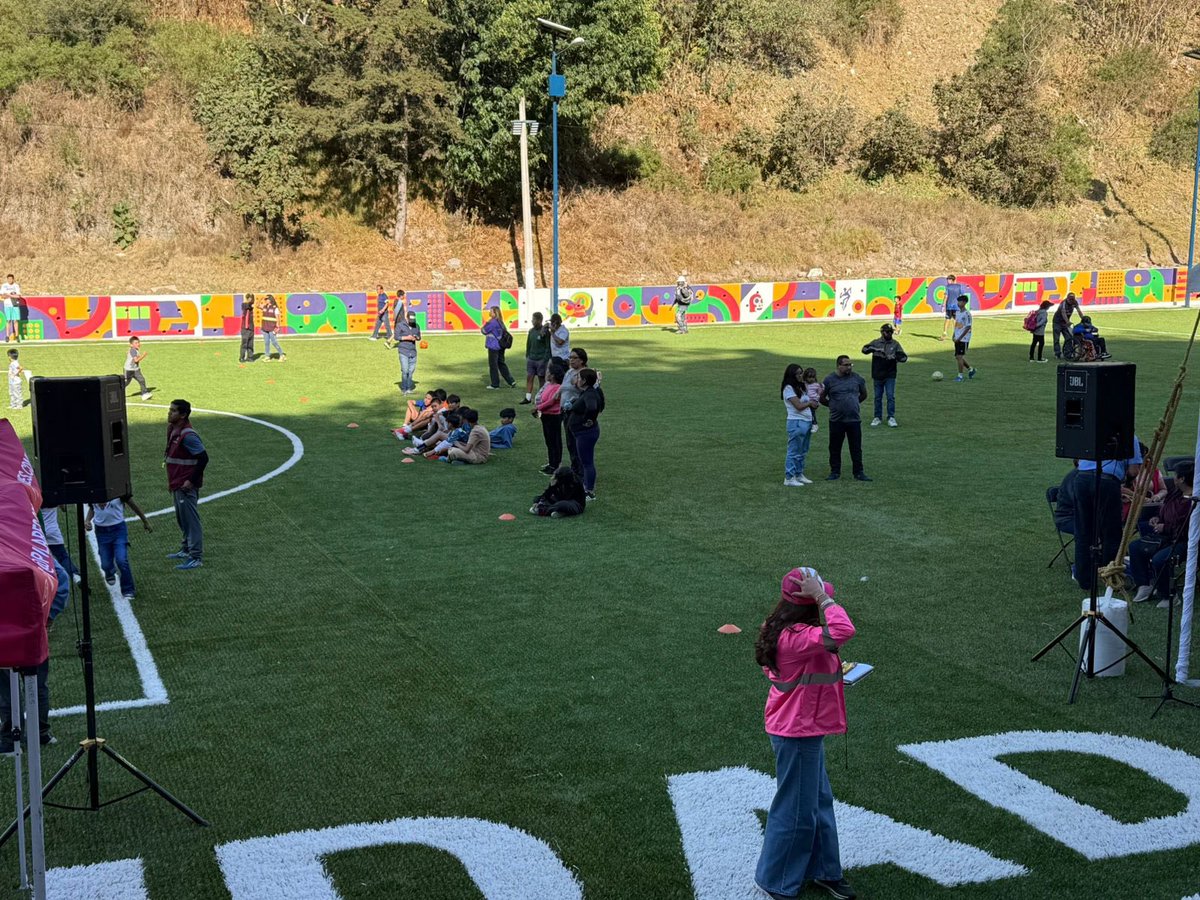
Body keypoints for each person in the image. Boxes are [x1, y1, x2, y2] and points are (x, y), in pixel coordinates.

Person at [754, 566, 856, 900]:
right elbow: (843, 629)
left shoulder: (783, 629)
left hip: (802, 728)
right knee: (796, 809)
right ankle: (777, 881)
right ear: (807, 603)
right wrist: (822, 596)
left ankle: (826, 870)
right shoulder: (796, 638)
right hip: (796, 732)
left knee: (817, 800)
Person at [1075, 437, 1143, 592]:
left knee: (1084, 531)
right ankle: (1110, 579)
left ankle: (1084, 579)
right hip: (1107, 481)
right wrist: (1127, 479)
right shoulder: (1129, 436)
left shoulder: (1092, 428)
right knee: (1111, 533)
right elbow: (1134, 470)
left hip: (1082, 479)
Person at [1130, 462, 1193, 606]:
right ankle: (1144, 584)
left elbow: (1187, 528)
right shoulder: (1176, 492)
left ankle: (1169, 596)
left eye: (1176, 476)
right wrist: (1158, 518)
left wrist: (1165, 527)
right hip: (1166, 536)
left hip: (1184, 541)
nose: (1174, 478)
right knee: (1135, 547)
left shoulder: (1193, 501)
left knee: (1160, 559)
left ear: (1182, 479)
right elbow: (1166, 509)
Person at [165, 399, 208, 571]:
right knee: (182, 519)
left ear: (183, 415)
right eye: (170, 409)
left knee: (191, 521)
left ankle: (195, 556)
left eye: (174, 411)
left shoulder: (188, 435)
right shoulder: (173, 430)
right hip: (177, 483)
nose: (169, 413)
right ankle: (186, 548)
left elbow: (203, 458)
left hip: (185, 485)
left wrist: (190, 481)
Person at [86, 494, 152, 601]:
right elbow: (92, 508)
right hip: (102, 532)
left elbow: (133, 505)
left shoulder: (118, 490)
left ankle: (128, 589)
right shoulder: (94, 491)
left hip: (118, 530)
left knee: (122, 560)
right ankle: (109, 571)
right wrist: (87, 520)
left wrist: (145, 521)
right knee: (105, 564)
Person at [821, 356, 869, 482]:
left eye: (850, 365)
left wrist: (854, 404)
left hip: (854, 420)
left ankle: (858, 472)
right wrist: (833, 406)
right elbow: (822, 397)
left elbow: (864, 394)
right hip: (837, 420)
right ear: (838, 366)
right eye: (846, 365)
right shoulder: (829, 380)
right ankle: (835, 471)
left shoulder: (857, 378)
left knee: (856, 447)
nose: (849, 367)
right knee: (835, 447)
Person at [566, 367, 604, 501]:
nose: (576, 379)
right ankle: (586, 487)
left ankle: (589, 491)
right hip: (583, 433)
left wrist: (588, 420)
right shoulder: (588, 392)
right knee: (585, 461)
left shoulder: (590, 394)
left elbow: (593, 407)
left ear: (583, 381)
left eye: (578, 377)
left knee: (587, 462)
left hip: (585, 433)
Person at [861, 323, 907, 428]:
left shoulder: (895, 344)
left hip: (890, 374)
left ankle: (891, 417)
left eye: (891, 332)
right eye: (887, 332)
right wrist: (876, 349)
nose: (889, 333)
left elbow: (904, 358)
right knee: (878, 397)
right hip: (877, 374)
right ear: (882, 332)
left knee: (890, 396)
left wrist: (894, 357)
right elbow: (864, 350)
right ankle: (877, 417)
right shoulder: (876, 343)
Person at [780, 364, 817, 487]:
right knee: (794, 450)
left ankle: (799, 474)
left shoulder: (800, 387)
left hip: (806, 421)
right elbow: (799, 406)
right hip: (796, 422)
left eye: (801, 373)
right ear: (792, 375)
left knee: (803, 450)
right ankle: (789, 477)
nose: (802, 375)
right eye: (799, 373)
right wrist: (810, 403)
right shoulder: (788, 388)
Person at [534, 362, 565, 476]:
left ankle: (555, 464)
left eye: (548, 372)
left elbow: (552, 401)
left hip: (554, 416)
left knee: (554, 441)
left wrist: (538, 408)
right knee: (549, 440)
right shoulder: (548, 385)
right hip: (546, 416)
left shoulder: (557, 387)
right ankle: (551, 462)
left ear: (552, 375)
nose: (546, 374)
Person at [482, 306, 517, 390]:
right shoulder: (500, 322)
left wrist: (486, 323)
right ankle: (511, 381)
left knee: (493, 365)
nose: (489, 313)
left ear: (494, 313)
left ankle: (495, 384)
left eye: (491, 311)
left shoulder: (492, 322)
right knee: (501, 364)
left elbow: (484, 331)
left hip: (493, 346)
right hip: (501, 346)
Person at [522, 312, 551, 404]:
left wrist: (545, 359)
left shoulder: (545, 332)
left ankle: (540, 397)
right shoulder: (531, 331)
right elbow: (528, 344)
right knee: (529, 377)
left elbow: (548, 346)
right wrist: (527, 355)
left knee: (541, 379)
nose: (532, 321)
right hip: (531, 358)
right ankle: (528, 397)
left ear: (539, 320)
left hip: (541, 359)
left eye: (534, 319)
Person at [394, 307, 420, 394]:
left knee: (411, 371)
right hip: (403, 351)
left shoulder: (416, 326)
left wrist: (416, 337)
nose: (412, 322)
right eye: (410, 320)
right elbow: (396, 337)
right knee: (405, 370)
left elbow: (419, 337)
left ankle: (409, 388)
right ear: (407, 318)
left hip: (413, 352)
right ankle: (404, 388)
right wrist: (406, 338)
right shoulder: (400, 325)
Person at [952, 295, 976, 382]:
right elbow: (957, 325)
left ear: (965, 303)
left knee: (959, 356)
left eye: (960, 301)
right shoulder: (958, 313)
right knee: (958, 357)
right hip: (957, 337)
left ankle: (960, 376)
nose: (958, 303)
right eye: (958, 301)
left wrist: (960, 338)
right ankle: (971, 369)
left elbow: (968, 327)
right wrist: (953, 335)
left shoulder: (967, 314)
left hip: (964, 339)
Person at [1052, 292, 1081, 359]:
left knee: (1068, 338)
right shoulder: (1063, 303)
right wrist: (1067, 322)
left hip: (1065, 323)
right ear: (1067, 298)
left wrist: (1083, 319)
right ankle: (1057, 353)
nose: (1071, 301)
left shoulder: (1075, 302)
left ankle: (1067, 353)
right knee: (1056, 339)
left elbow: (1079, 310)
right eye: (1070, 299)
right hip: (1057, 322)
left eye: (1072, 299)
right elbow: (1063, 313)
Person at [261, 295, 286, 361]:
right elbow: (257, 305)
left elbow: (278, 319)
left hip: (272, 328)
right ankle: (267, 357)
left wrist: (277, 327)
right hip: (264, 328)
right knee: (266, 342)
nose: (266, 300)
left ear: (270, 300)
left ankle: (282, 355)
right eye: (265, 299)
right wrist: (261, 298)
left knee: (274, 342)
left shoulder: (275, 308)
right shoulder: (264, 307)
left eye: (267, 299)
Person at [939, 274, 962, 341]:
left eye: (949, 280)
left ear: (952, 280)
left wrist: (943, 305)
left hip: (949, 306)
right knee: (953, 319)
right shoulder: (959, 286)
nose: (948, 281)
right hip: (956, 306)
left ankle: (945, 333)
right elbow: (961, 296)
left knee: (948, 319)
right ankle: (954, 334)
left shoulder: (948, 287)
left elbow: (946, 296)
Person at [1, 274, 22, 343]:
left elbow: (18, 296)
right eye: (8, 279)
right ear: (7, 279)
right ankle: (7, 336)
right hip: (7, 305)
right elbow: (2, 296)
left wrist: (9, 295)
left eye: (11, 279)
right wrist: (11, 295)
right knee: (8, 320)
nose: (10, 280)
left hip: (15, 305)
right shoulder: (4, 286)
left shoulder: (16, 286)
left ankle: (17, 336)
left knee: (15, 321)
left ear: (13, 279)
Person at [802, 368, 823, 433]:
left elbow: (820, 392)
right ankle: (808, 424)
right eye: (809, 377)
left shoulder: (816, 385)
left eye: (813, 377)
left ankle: (814, 424)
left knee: (811, 412)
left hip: (814, 401)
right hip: (807, 400)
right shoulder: (804, 384)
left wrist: (818, 400)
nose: (811, 379)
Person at [238, 295, 256, 363]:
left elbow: (251, 306)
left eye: (252, 299)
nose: (251, 300)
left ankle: (250, 357)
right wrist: (249, 302)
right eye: (250, 299)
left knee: (250, 344)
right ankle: (242, 357)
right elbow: (247, 305)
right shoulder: (244, 305)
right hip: (245, 328)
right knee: (244, 344)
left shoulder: (251, 307)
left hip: (251, 328)